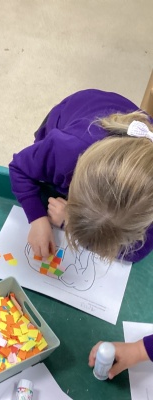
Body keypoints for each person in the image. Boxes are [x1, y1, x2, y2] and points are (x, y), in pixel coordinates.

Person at [9, 88, 153, 376]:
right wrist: (37, 218)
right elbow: (21, 169)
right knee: (43, 163)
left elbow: (138, 251)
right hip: (77, 114)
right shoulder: (64, 148)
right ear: (72, 181)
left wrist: (69, 222)